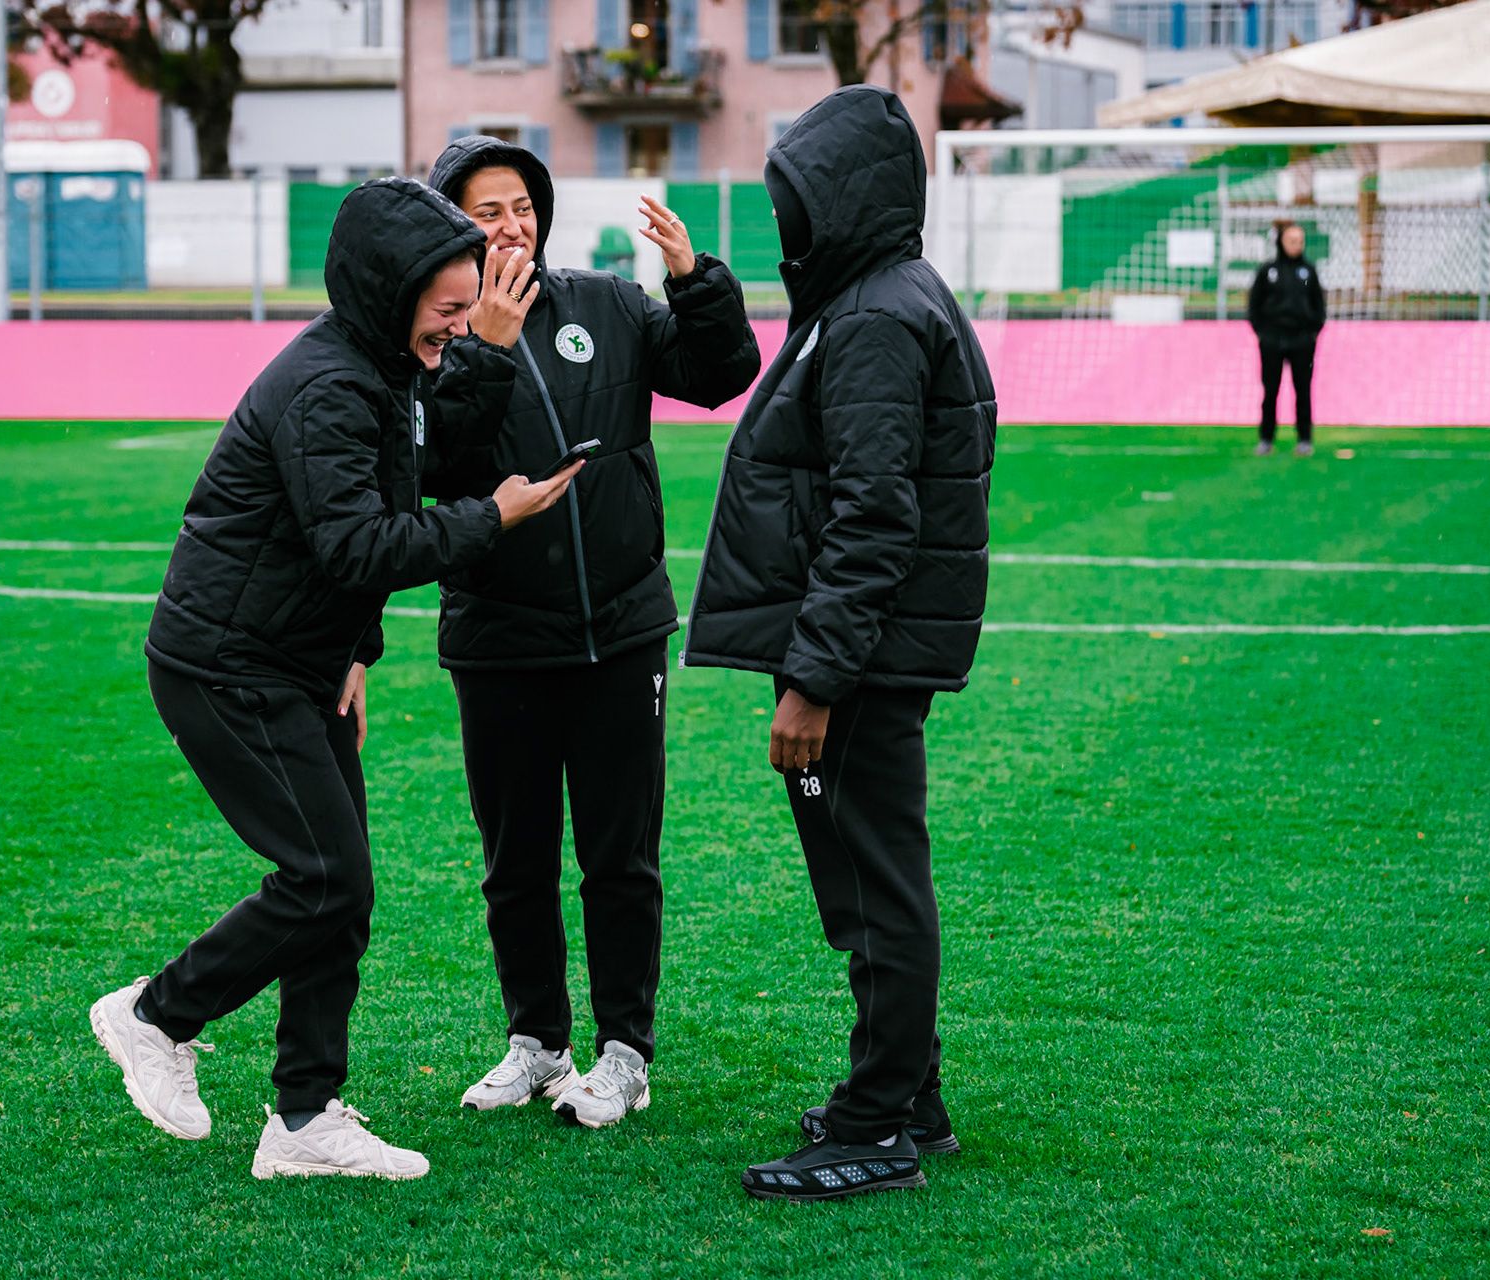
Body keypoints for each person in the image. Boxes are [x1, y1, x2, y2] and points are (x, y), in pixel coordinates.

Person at [87, 177, 581, 1183]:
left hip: (298, 661)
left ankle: (303, 1117)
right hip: (227, 665)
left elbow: (427, 452)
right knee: (324, 877)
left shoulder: (382, 365)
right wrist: (497, 517)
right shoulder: (331, 386)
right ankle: (153, 1013)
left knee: (338, 894)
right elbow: (360, 542)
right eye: (445, 311)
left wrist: (355, 652)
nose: (455, 325)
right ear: (386, 292)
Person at [682, 85, 996, 1201]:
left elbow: (874, 515)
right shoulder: (875, 297)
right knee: (866, 877)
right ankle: (907, 1092)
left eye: (797, 202)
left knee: (877, 881)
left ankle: (880, 1125)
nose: (785, 226)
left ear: (847, 200)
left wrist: (812, 679)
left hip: (858, 662)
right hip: (864, 651)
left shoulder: (871, 316)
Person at [423, 136, 760, 1128]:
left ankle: (624, 1052)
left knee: (620, 856)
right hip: (496, 639)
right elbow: (437, 464)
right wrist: (481, 342)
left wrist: (695, 281)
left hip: (620, 634)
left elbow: (719, 371)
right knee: (515, 861)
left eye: (522, 205)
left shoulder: (606, 306)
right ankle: (537, 1042)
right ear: (452, 227)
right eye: (486, 211)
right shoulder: (433, 339)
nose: (510, 225)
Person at [1248, 221, 1325, 456]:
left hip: (1302, 341)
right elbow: (1254, 306)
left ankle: (1304, 439)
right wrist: (1263, 333)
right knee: (1270, 391)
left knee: (1303, 391)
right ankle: (1266, 439)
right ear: (1281, 242)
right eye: (1292, 241)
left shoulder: (1309, 271)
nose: (1297, 245)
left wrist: (1311, 332)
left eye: (1300, 241)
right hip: (1272, 341)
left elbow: (1319, 307)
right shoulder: (1267, 271)